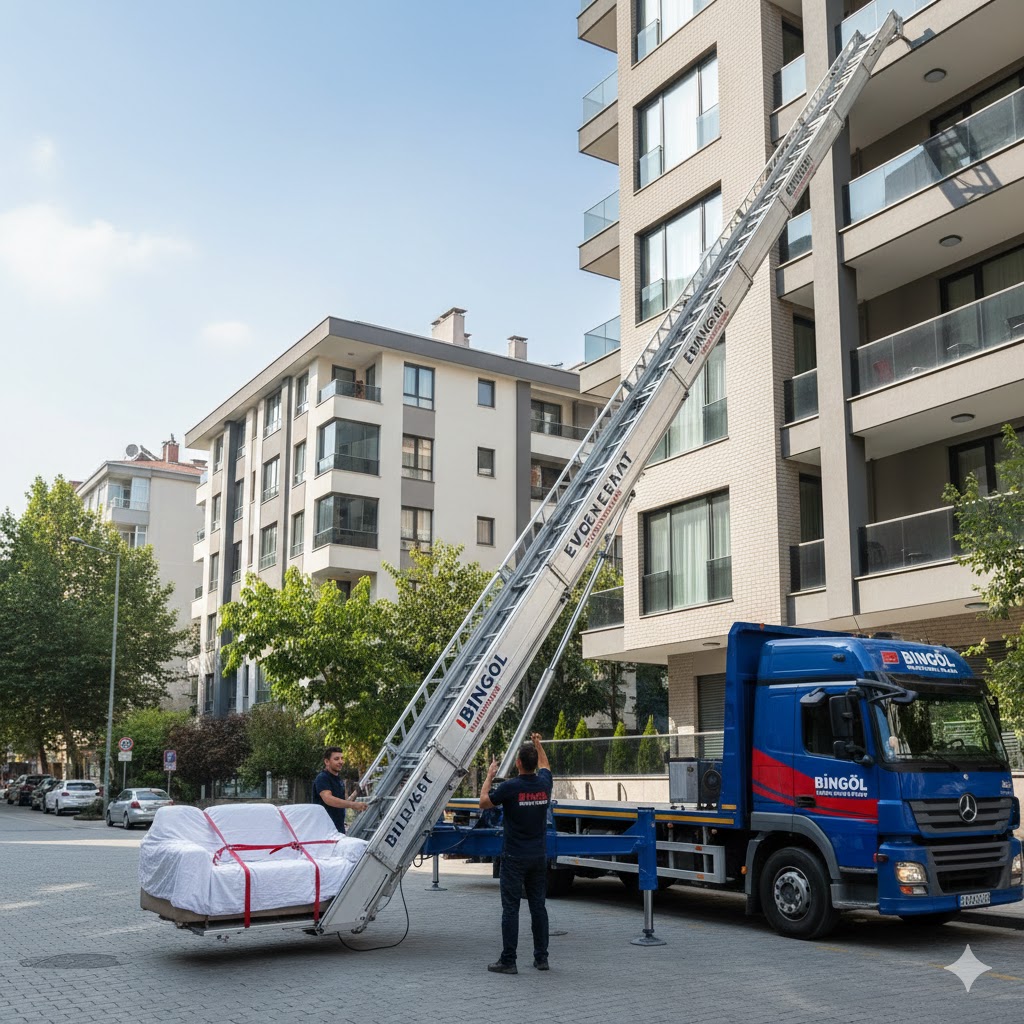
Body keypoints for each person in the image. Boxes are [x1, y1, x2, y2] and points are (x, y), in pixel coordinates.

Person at [479, 732, 552, 974]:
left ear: (518, 763)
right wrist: (538, 744)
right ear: (534, 764)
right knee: (538, 907)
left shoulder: (510, 787)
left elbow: (484, 802)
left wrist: (489, 776)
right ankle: (541, 959)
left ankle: (508, 961)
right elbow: (546, 766)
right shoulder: (544, 784)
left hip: (513, 858)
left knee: (511, 909)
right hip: (538, 856)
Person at [313, 747, 368, 834]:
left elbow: (343, 801)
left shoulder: (338, 779)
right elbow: (328, 799)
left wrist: (357, 794)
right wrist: (353, 805)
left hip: (338, 829)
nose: (341, 761)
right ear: (327, 761)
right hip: (325, 830)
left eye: (342, 758)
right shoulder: (323, 778)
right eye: (336, 759)